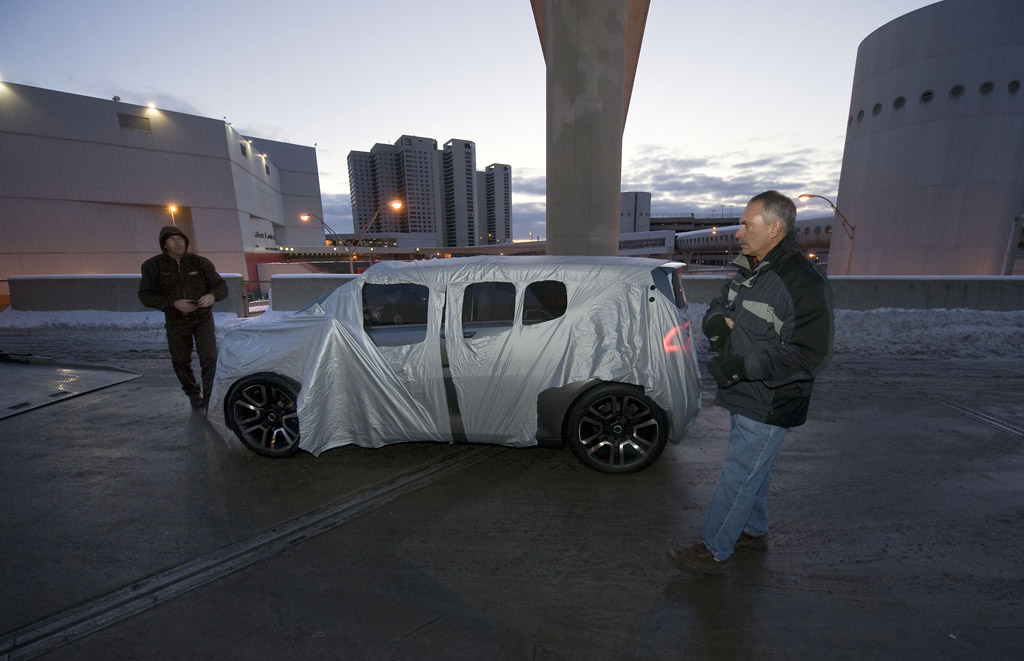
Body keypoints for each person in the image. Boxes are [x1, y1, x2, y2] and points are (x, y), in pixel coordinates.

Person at [668, 190, 834, 575]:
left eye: (747, 224)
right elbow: (720, 305)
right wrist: (713, 323)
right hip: (746, 394)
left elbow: (812, 354)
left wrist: (743, 367)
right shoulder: (751, 268)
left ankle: (713, 548)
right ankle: (754, 528)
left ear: (775, 228)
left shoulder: (801, 282)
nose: (738, 232)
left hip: (771, 399)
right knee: (754, 467)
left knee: (739, 473)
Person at [139, 225, 228, 410]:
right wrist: (173, 303)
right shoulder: (153, 266)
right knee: (180, 361)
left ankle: (209, 397)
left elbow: (220, 286)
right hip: (176, 320)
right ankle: (193, 393)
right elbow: (145, 295)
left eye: (181, 238)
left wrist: (212, 296)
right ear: (164, 245)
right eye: (172, 239)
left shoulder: (199, 262)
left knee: (209, 358)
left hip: (202, 318)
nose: (178, 242)